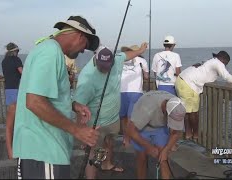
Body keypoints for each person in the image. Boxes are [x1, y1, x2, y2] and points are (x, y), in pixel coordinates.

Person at [12, 16, 101, 179]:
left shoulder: (44, 48)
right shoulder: (51, 52)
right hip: (45, 151)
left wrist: (72, 105)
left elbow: (42, 94)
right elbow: (34, 102)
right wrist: (77, 130)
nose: (82, 51)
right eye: (85, 46)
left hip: (39, 153)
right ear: (80, 35)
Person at [73, 43, 148, 179]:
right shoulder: (87, 78)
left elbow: (127, 55)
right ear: (95, 60)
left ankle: (107, 164)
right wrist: (81, 132)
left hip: (113, 119)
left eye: (109, 66)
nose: (106, 69)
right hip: (96, 123)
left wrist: (140, 50)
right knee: (93, 154)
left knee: (109, 142)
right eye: (103, 67)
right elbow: (78, 107)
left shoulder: (116, 60)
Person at [175, 51, 232, 142]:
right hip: (188, 84)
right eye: (225, 64)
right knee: (193, 112)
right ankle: (196, 134)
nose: (225, 66)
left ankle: (188, 133)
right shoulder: (218, 63)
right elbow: (226, 76)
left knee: (187, 111)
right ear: (223, 60)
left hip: (180, 80)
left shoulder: (209, 61)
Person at [126, 90, 186, 179]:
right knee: (141, 157)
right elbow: (130, 130)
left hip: (160, 127)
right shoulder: (147, 108)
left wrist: (166, 150)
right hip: (142, 126)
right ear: (165, 110)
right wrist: (149, 147)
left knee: (163, 158)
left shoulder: (178, 105)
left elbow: (176, 133)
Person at [119, 45, 149, 147]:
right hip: (136, 92)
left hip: (121, 91)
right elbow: (146, 76)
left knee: (123, 118)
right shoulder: (142, 61)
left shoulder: (120, 60)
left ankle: (125, 138)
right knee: (131, 118)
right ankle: (131, 138)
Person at [1, 42, 23, 160]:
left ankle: (11, 150)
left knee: (10, 120)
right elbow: (22, 73)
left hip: (8, 90)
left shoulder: (4, 61)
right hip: (17, 89)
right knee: (20, 118)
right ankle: (19, 145)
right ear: (15, 51)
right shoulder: (16, 59)